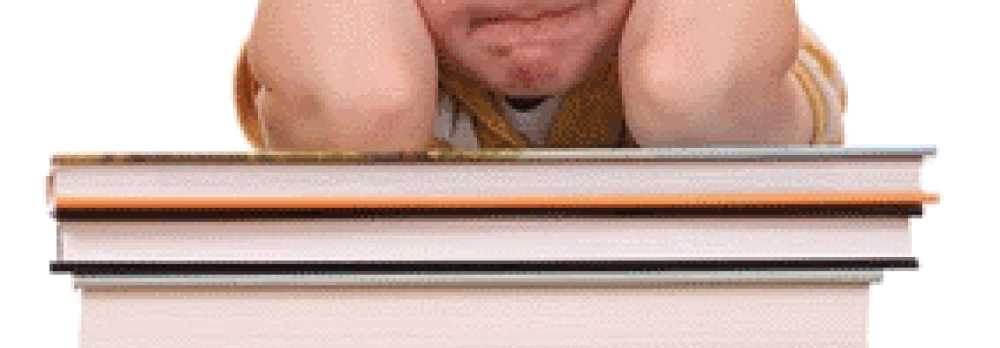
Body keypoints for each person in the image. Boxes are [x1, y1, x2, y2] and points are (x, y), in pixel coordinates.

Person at [234, 0, 845, 151]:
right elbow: (352, 99)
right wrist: (372, 105)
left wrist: (679, 89)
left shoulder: (732, 53)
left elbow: (701, 84)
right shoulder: (351, 55)